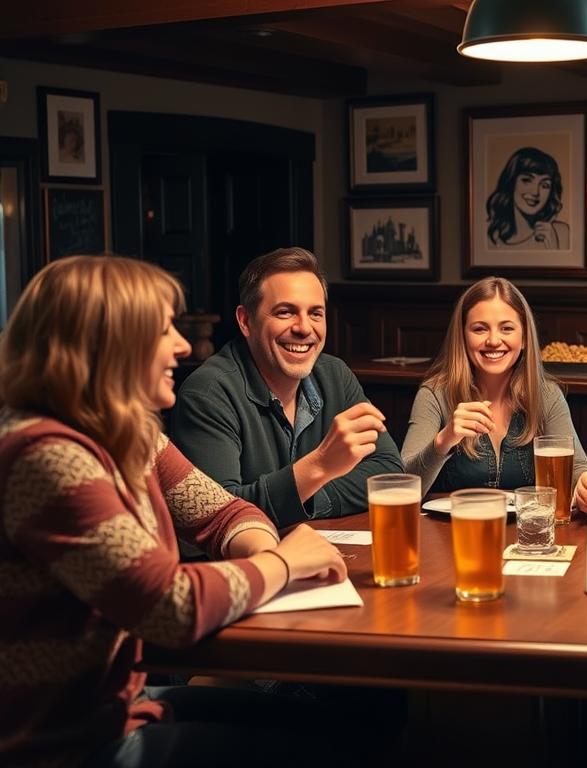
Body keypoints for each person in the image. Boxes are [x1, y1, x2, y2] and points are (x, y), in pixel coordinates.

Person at [0, 256, 349, 767]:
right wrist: (283, 565)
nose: (183, 346)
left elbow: (222, 512)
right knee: (320, 752)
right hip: (62, 743)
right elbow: (169, 608)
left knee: (337, 726)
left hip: (116, 709)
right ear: (106, 344)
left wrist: (266, 548)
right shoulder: (48, 456)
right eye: (163, 329)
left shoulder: (129, 433)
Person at [171, 247, 403, 528]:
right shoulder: (208, 392)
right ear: (245, 321)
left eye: (315, 313)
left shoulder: (334, 375)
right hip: (244, 567)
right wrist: (318, 467)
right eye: (285, 312)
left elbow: (388, 473)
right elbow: (219, 513)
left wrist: (307, 495)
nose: (304, 328)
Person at [402, 276, 587, 494]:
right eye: (480, 329)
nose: (493, 340)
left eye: (507, 328)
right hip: (453, 527)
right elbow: (404, 486)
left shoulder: (546, 394)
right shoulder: (434, 394)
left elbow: (577, 470)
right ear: (462, 336)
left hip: (527, 526)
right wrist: (443, 440)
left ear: (525, 337)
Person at [486, 147, 570, 250]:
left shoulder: (561, 233)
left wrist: (553, 248)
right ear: (511, 183)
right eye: (527, 180)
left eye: (544, 185)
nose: (535, 192)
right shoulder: (491, 237)